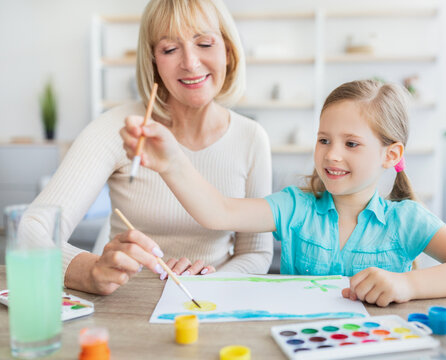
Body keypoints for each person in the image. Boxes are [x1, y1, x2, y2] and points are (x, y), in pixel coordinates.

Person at [121, 79, 446, 307]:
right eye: (324, 139)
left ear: (390, 155)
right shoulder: (295, 206)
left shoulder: (406, 220)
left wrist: (407, 285)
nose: (332, 154)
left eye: (351, 144)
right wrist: (172, 162)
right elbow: (218, 212)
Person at [29, 0, 273, 295]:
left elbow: (256, 254)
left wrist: (211, 284)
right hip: (128, 305)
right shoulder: (117, 129)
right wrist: (90, 270)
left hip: (213, 304)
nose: (191, 63)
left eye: (205, 43)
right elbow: (32, 231)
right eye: (169, 49)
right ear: (154, 63)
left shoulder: (252, 138)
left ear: (229, 52)